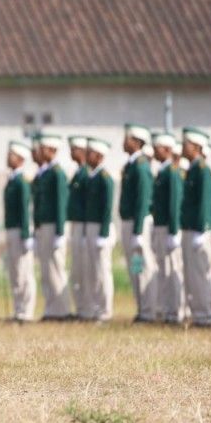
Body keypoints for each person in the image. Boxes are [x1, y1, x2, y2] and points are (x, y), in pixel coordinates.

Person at [31, 133, 72, 320]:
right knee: (47, 270)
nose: (38, 152)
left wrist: (60, 232)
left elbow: (61, 204)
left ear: (52, 150)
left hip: (53, 227)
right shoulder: (45, 174)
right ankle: (51, 308)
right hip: (43, 227)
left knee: (56, 268)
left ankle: (62, 310)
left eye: (42, 149)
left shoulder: (57, 174)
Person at [180, 128, 211, 328]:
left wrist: (202, 229)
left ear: (196, 147)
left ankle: (206, 315)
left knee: (201, 273)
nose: (183, 147)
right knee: (192, 275)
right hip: (190, 229)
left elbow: (204, 201)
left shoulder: (203, 170)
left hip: (198, 230)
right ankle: (199, 314)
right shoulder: (193, 169)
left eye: (186, 144)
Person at [119, 124, 156, 322]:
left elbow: (142, 199)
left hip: (138, 223)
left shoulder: (141, 166)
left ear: (136, 142)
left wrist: (138, 231)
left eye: (128, 138)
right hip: (130, 223)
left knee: (143, 266)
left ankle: (149, 310)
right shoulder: (132, 165)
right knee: (135, 268)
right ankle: (142, 308)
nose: (124, 141)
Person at [149, 131, 186, 325]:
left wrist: (173, 231)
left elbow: (174, 204)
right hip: (160, 226)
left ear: (168, 150)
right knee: (163, 271)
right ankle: (166, 311)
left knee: (172, 271)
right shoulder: (163, 172)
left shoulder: (172, 173)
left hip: (168, 228)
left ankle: (175, 312)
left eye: (157, 148)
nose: (154, 151)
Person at [83, 138, 116, 322]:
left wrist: (103, 233)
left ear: (99, 155)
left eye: (90, 153)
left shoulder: (105, 179)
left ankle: (105, 311)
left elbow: (107, 208)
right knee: (93, 271)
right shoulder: (92, 177)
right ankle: (96, 309)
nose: (86, 156)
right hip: (91, 226)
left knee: (103, 271)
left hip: (100, 229)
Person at [3, 140, 36, 322]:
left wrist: (26, 235)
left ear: (21, 159)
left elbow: (24, 209)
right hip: (11, 229)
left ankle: (26, 311)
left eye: (12, 155)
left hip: (20, 230)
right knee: (15, 271)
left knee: (24, 272)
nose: (8, 158)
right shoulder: (12, 179)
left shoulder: (22, 182)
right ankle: (18, 310)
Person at [67, 137, 92, 320]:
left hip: (84, 226)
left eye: (74, 149)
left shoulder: (86, 175)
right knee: (77, 271)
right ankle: (81, 308)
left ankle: (87, 308)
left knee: (86, 271)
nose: (71, 152)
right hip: (76, 225)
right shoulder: (79, 173)